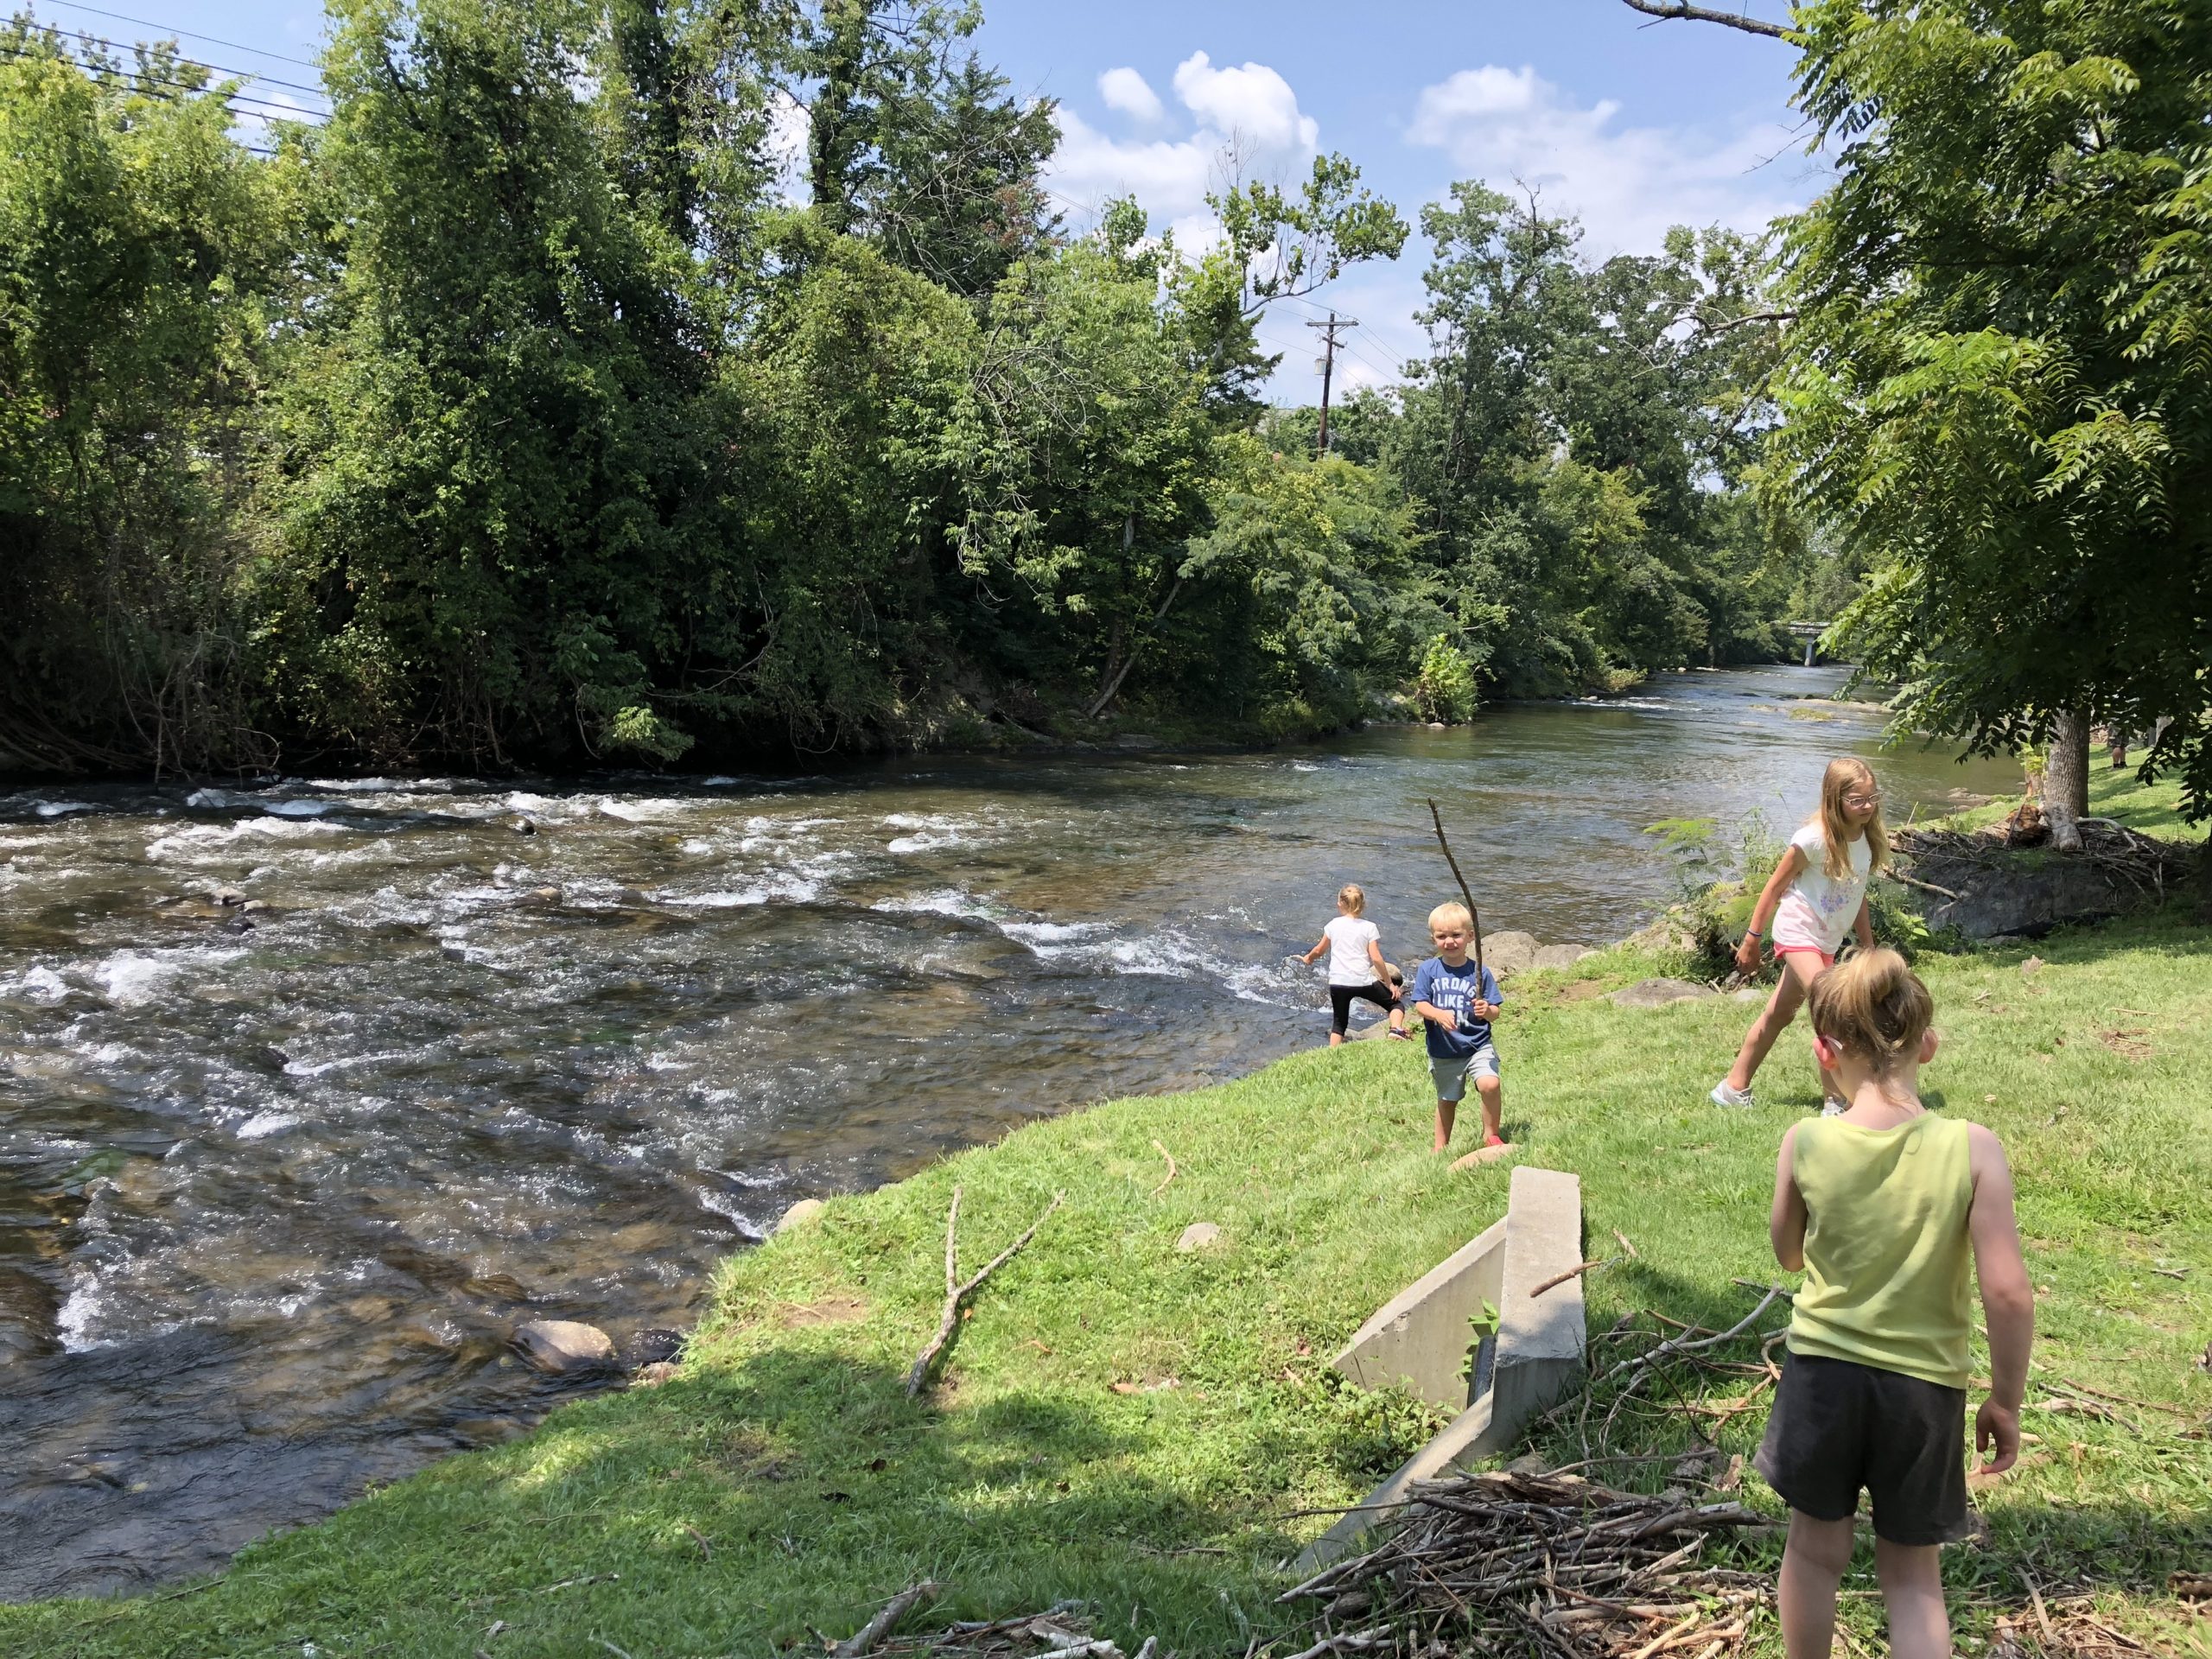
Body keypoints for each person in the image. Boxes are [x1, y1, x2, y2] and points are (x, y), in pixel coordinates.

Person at [1758, 948, 2032, 1659]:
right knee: (1913, 1579)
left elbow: (1788, 1253)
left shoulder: (1805, 1140)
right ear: (1928, 1046)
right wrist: (2006, 1401)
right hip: (1924, 1389)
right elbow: (2007, 1291)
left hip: (1821, 1376)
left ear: (1825, 1053)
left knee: (1815, 1554)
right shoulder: (1973, 1149)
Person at [1712, 757, 1887, 1113]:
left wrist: (1868, 945)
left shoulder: (1866, 838)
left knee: (1779, 1015)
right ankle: (1836, 1101)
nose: (1867, 806)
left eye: (1872, 797)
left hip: (1826, 941)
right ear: (1834, 799)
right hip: (1798, 932)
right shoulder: (1813, 839)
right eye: (1857, 800)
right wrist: (1751, 939)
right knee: (1833, 1009)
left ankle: (1732, 1088)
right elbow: (1773, 889)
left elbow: (1858, 893)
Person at [1408, 903, 1504, 1153]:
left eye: (1456, 935)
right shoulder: (1429, 970)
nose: (1449, 942)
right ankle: (1440, 1146)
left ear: (1470, 936)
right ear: (1433, 939)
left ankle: (1491, 1134)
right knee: (1447, 1099)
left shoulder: (1479, 972)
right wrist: (1437, 1014)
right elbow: (1420, 1003)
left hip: (1477, 1044)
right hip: (1445, 1050)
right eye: (1442, 936)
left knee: (1489, 1084)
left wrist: (1487, 1010)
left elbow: (1495, 1011)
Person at [1300, 884, 1409, 1046]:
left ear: (1339, 904)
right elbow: (1377, 959)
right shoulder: (1369, 927)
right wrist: (1390, 983)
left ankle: (1331, 1054)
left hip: (1338, 982)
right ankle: (1395, 1030)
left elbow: (1319, 950)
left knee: (1339, 1023)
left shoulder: (1333, 925)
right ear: (1363, 905)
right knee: (1395, 1004)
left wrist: (1308, 958)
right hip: (1362, 981)